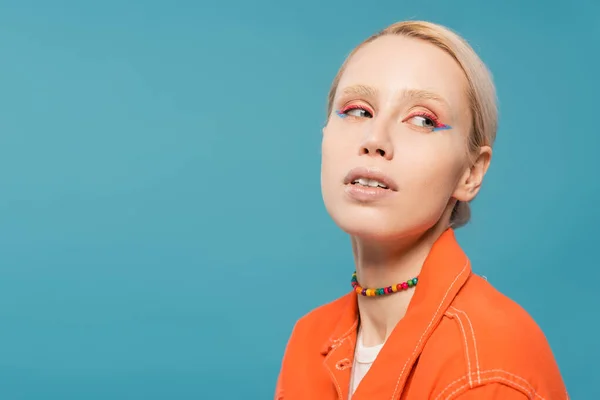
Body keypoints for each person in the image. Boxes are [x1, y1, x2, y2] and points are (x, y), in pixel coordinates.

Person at [274, 20, 568, 400]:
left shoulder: (489, 367)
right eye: (358, 110)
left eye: (422, 120)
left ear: (470, 173)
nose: (374, 139)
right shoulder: (309, 339)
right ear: (324, 134)